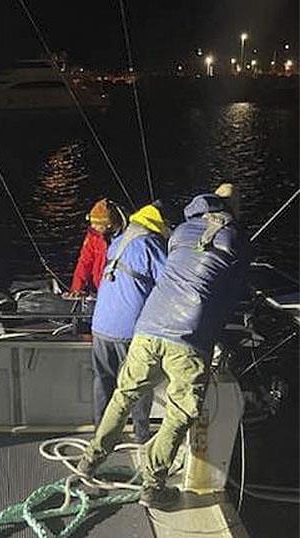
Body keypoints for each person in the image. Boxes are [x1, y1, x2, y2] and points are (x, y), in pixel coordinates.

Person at [77, 184, 249, 510]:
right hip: (188, 337)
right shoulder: (237, 238)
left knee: (123, 395)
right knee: (180, 412)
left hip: (146, 327)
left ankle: (91, 459)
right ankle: (153, 485)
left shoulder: (182, 230)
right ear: (233, 208)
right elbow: (234, 291)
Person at [90, 202, 169, 443]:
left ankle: (100, 434)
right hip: (129, 329)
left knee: (103, 380)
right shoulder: (150, 244)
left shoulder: (119, 242)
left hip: (101, 325)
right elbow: (169, 283)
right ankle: (141, 435)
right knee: (138, 383)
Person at [65, 199, 126, 298]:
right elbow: (85, 261)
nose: (93, 226)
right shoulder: (94, 236)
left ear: (109, 225)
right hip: (98, 288)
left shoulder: (127, 237)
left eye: (97, 225)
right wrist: (77, 288)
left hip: (117, 290)